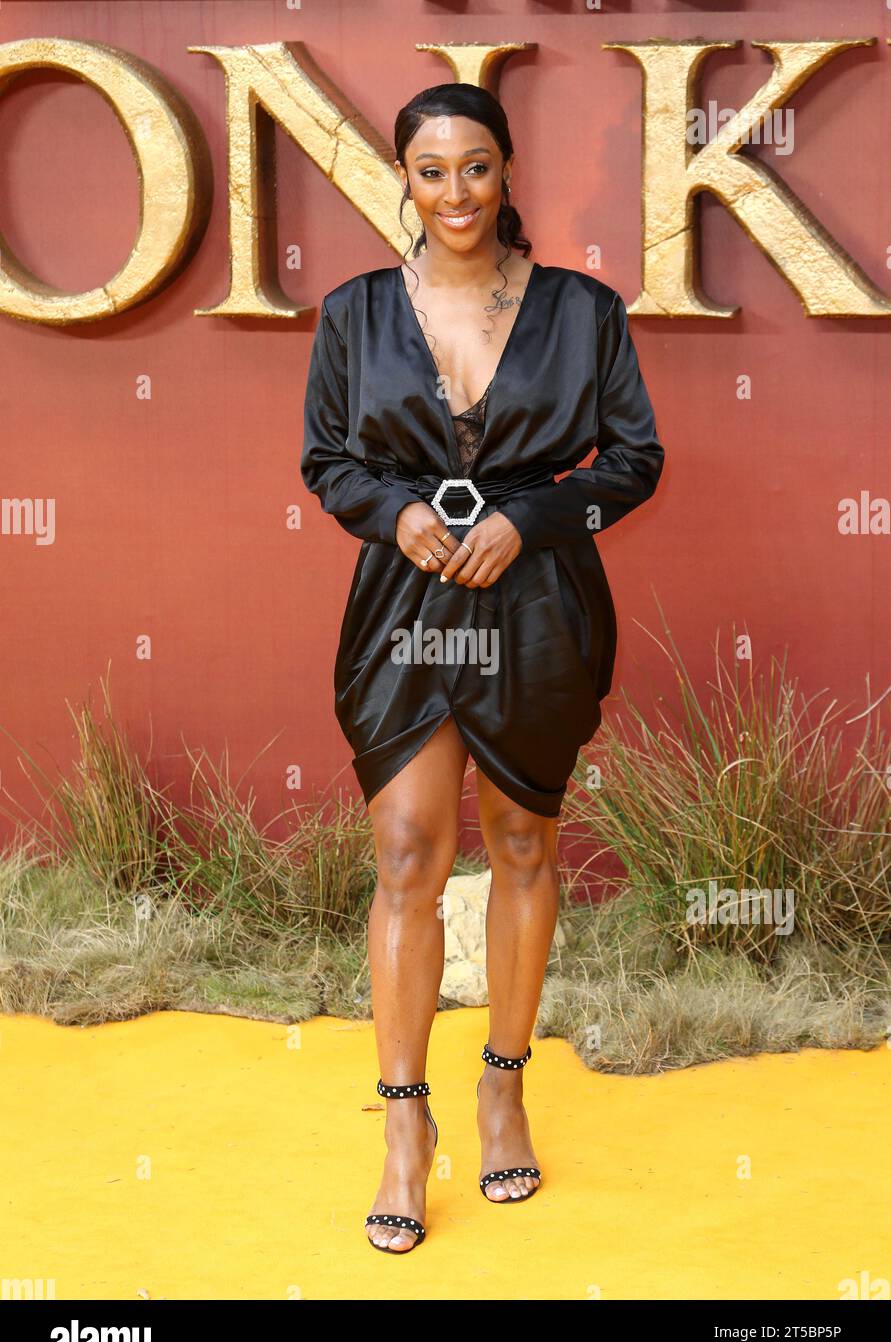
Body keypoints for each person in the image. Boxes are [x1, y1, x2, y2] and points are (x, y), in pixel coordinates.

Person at [300, 82, 665, 1253]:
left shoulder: (583, 310)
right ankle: (406, 1125)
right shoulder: (354, 313)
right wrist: (392, 513)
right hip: (406, 603)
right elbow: (325, 459)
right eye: (430, 170)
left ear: (506, 174)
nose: (454, 192)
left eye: (475, 167)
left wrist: (541, 518)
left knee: (520, 839)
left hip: (539, 604)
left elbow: (637, 459)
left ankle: (502, 1082)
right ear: (400, 181)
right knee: (408, 843)